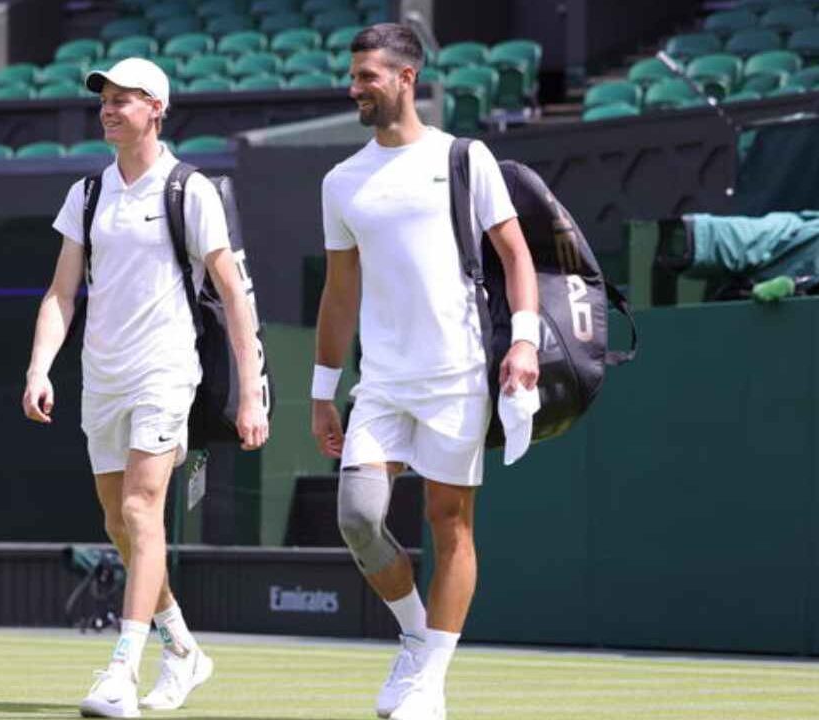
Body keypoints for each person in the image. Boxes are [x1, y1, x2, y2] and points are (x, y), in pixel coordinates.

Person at [22, 57, 269, 718]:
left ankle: (121, 672)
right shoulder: (88, 194)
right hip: (101, 380)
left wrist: (252, 393)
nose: (108, 108)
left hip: (165, 371)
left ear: (156, 110)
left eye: (123, 99)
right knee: (119, 523)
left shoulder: (190, 191)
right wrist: (40, 366)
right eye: (104, 98)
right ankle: (184, 647)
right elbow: (61, 293)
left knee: (140, 510)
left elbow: (233, 296)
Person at [311, 24, 541, 720]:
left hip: (456, 375)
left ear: (406, 78)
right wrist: (323, 392)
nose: (355, 88)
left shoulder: (466, 158)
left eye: (367, 77)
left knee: (451, 524)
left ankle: (431, 679)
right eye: (352, 77)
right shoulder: (340, 179)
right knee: (357, 517)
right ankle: (415, 633)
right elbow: (339, 290)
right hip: (379, 384)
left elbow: (516, 257)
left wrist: (523, 343)